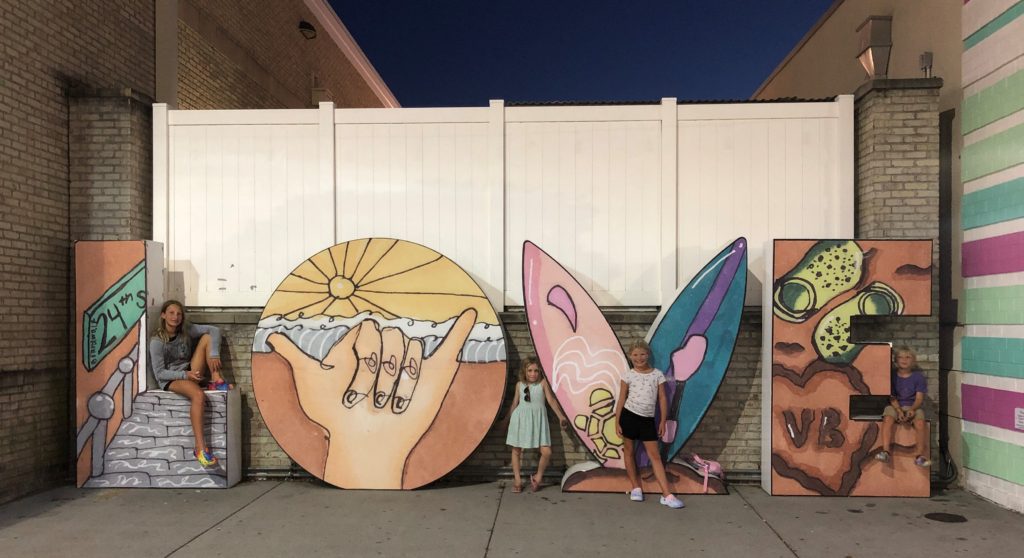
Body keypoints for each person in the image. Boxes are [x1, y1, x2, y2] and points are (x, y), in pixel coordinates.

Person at [149, 300, 230, 468]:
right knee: (198, 395)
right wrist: (185, 375)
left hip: (189, 370)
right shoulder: (157, 341)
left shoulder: (186, 331)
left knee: (207, 337)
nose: (175, 317)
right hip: (171, 379)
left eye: (179, 314)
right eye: (171, 313)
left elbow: (214, 330)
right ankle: (200, 448)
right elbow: (160, 373)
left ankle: (216, 380)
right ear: (163, 315)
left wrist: (214, 354)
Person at [614, 339, 685, 509]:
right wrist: (617, 421)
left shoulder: (657, 375)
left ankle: (667, 494)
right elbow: (621, 399)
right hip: (629, 416)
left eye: (642, 354)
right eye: (635, 355)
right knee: (629, 452)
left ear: (648, 354)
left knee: (655, 456)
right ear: (631, 356)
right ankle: (635, 488)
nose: (639, 358)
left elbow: (662, 398)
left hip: (648, 420)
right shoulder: (627, 375)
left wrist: (662, 420)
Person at [505, 356, 568, 493]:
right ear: (524, 371)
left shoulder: (543, 383)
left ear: (540, 372)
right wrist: (506, 420)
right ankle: (517, 480)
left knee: (546, 451)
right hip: (520, 420)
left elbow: (551, 401)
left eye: (536, 371)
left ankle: (538, 477)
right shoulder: (519, 385)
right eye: (530, 370)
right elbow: (514, 404)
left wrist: (560, 416)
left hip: (538, 421)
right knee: (516, 450)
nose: (533, 374)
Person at [875, 345, 931, 467]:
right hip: (895, 405)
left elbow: (919, 398)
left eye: (908, 357)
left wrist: (912, 409)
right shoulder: (892, 376)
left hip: (912, 406)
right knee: (888, 418)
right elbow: (892, 397)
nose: (904, 360)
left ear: (913, 360)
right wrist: (899, 411)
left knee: (921, 423)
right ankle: (885, 452)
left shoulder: (918, 377)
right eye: (900, 357)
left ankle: (919, 456)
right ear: (896, 360)